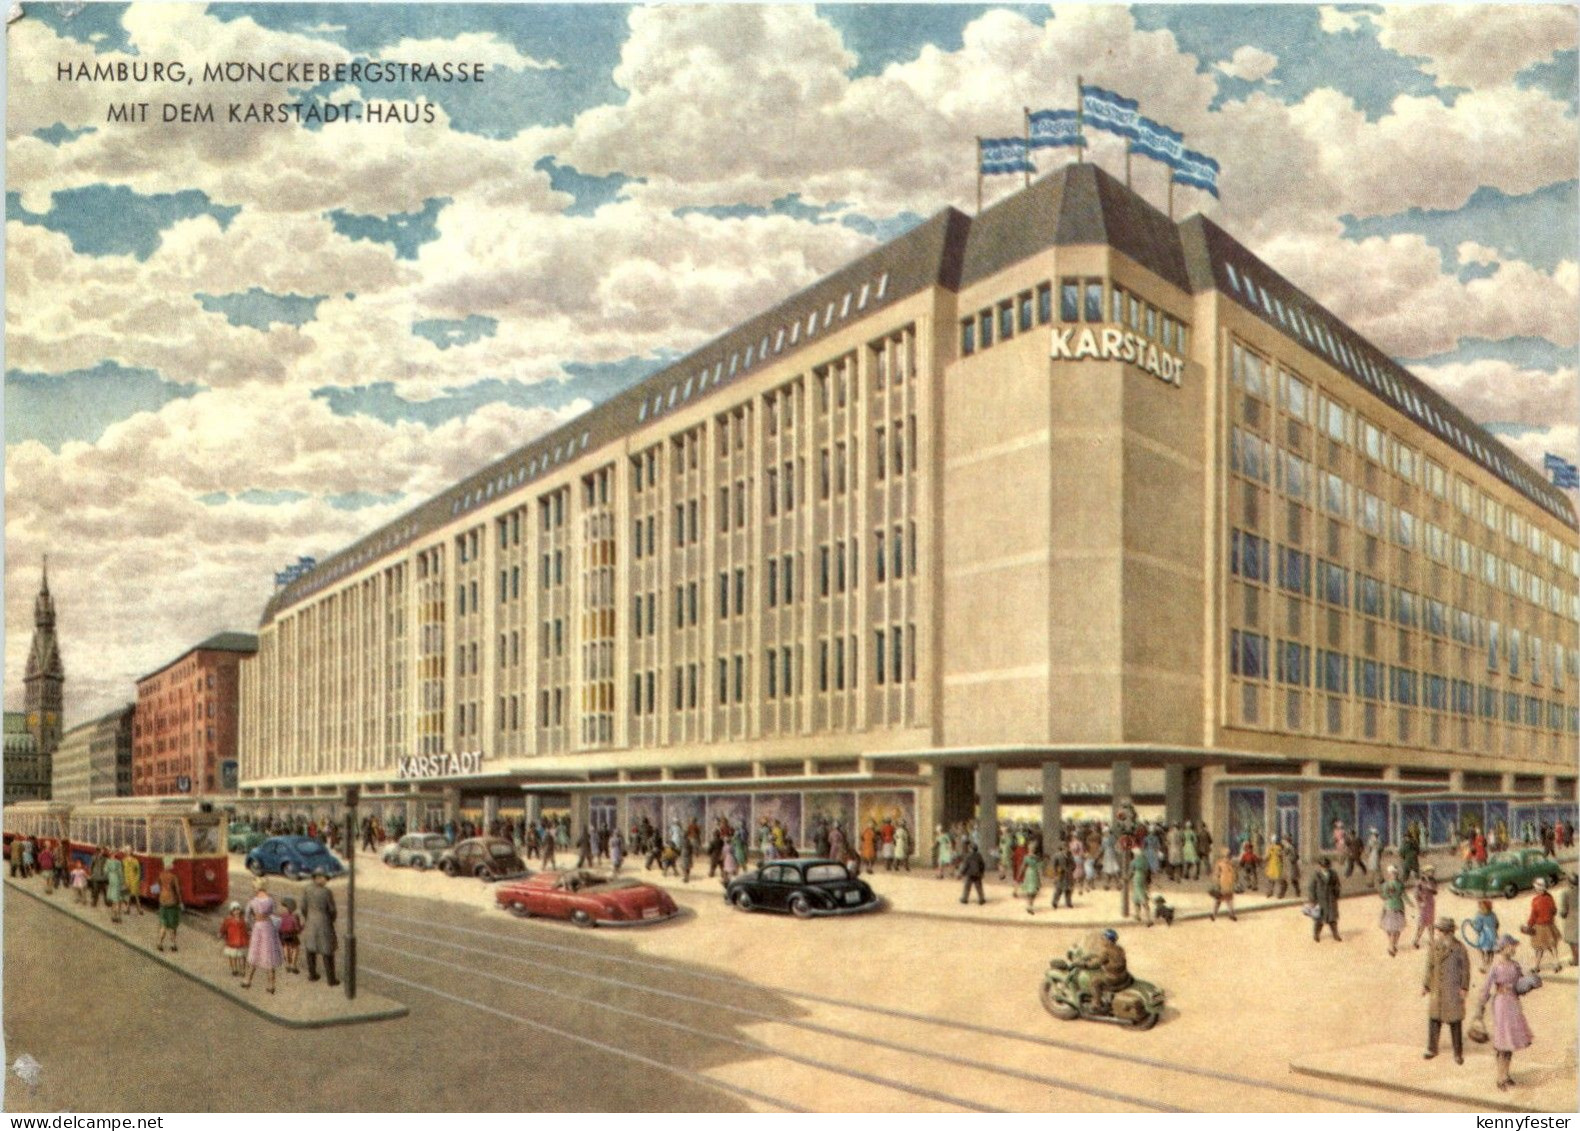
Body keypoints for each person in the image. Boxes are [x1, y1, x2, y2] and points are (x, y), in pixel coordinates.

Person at [1476, 936, 1536, 1092]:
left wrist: (1530, 983)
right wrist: (1480, 1007)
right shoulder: (1496, 967)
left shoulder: (1515, 965)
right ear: (1502, 948)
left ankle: (1506, 1075)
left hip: (1513, 1003)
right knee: (1502, 1043)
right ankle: (1500, 1077)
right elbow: (1486, 987)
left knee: (1510, 1042)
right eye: (1511, 946)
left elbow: (1520, 985)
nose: (1513, 949)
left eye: (1514, 946)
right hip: (1501, 1004)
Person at [1423, 915, 1470, 1064]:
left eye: (1440, 931)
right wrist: (1426, 985)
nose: (1437, 933)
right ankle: (1432, 1048)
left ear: (1448, 932)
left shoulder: (1459, 948)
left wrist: (1464, 987)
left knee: (1455, 1022)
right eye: (1438, 930)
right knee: (1434, 1019)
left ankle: (1458, 1053)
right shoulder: (1434, 946)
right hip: (1437, 989)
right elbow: (1429, 966)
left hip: (1453, 989)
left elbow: (1465, 970)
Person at [243, 880, 284, 993]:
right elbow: (275, 914)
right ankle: (271, 985)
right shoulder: (271, 901)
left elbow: (246, 918)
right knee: (269, 954)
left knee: (254, 953)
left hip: (257, 928)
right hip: (268, 928)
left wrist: (251, 926)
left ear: (256, 888)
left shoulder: (252, 901)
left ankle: (247, 980)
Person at [302, 868, 339, 986]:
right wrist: (331, 919)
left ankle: (312, 975)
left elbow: (303, 907)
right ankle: (331, 979)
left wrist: (308, 918)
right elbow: (332, 910)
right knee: (327, 951)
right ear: (317, 878)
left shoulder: (307, 889)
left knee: (310, 950)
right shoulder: (326, 892)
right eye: (325, 878)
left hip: (311, 922)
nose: (326, 881)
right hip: (324, 923)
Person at [1524, 877, 1560, 973]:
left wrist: (1529, 925)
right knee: (1552, 946)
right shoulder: (1550, 897)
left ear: (1537, 888)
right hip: (1550, 925)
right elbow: (1554, 910)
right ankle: (1556, 963)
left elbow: (1533, 915)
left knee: (1539, 948)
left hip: (1540, 927)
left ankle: (1536, 966)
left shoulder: (1535, 900)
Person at [1379, 864, 1410, 956]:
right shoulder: (1386, 885)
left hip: (1398, 906)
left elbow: (1404, 894)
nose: (1394, 875)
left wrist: (1409, 903)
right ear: (1389, 874)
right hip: (1389, 907)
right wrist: (1389, 895)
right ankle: (1392, 944)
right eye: (1392, 873)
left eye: (1396, 873)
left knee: (1396, 929)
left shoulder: (1400, 884)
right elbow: (1383, 896)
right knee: (1390, 928)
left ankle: (1392, 945)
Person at [1309, 856, 1341, 942]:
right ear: (1320, 866)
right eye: (1323, 866)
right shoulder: (1316, 875)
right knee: (1319, 919)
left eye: (1327, 866)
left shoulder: (1333, 874)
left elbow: (1337, 885)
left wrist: (1336, 894)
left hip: (1331, 899)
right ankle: (1316, 935)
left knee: (1332, 919)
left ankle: (1335, 935)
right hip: (1320, 900)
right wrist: (1312, 900)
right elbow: (1311, 888)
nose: (1325, 868)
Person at [155, 856, 182, 951]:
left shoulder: (160, 875)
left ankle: (160, 943)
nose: (173, 865)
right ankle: (173, 945)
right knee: (173, 926)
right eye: (171, 864)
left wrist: (159, 896)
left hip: (162, 902)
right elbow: (177, 891)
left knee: (163, 925)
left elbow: (156, 888)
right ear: (169, 865)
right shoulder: (173, 877)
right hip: (172, 902)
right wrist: (180, 902)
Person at [1466, 899, 1500, 971]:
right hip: (1493, 936)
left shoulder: (1479, 915)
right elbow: (1497, 924)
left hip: (1484, 937)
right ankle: (1489, 964)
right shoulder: (1492, 914)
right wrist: (1493, 930)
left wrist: (1472, 925)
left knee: (1482, 949)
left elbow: (1478, 928)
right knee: (1490, 951)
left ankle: (1484, 964)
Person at [1411, 864, 1438, 949]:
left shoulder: (1433, 881)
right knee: (1422, 923)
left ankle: (1432, 940)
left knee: (1431, 923)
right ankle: (1416, 940)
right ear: (1425, 872)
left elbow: (1435, 891)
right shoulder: (1420, 882)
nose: (1432, 873)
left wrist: (1431, 888)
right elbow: (1415, 894)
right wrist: (1420, 902)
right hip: (1423, 904)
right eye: (1430, 871)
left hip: (1430, 903)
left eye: (1432, 871)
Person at [219, 903, 249, 977]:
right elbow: (224, 928)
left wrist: (248, 937)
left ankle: (243, 970)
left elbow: (246, 930)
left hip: (242, 941)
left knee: (242, 957)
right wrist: (221, 933)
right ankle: (234, 969)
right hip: (232, 941)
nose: (236, 912)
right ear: (231, 911)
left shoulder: (243, 920)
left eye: (238, 909)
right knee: (233, 956)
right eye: (234, 910)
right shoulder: (228, 920)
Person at [1209, 847, 1237, 922]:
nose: (1228, 857)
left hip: (1224, 884)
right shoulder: (1228, 864)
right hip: (1225, 884)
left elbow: (1216, 875)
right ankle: (1231, 914)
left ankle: (1214, 915)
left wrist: (1216, 883)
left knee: (1221, 900)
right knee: (1227, 900)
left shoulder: (1222, 863)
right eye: (1227, 856)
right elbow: (1234, 874)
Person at [278, 897, 302, 974]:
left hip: (283, 934)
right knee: (295, 948)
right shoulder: (294, 916)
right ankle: (293, 965)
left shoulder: (281, 916)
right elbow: (297, 928)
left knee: (286, 947)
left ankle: (287, 964)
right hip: (292, 934)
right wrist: (302, 927)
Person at [958, 841, 986, 905]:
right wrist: (982, 872)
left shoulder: (968, 856)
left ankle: (964, 899)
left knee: (967, 887)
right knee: (979, 887)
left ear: (970, 849)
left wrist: (961, 873)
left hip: (969, 874)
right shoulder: (979, 856)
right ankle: (981, 899)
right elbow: (982, 865)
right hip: (977, 873)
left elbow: (965, 865)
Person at [1130, 849, 1152, 925]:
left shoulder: (1134, 861)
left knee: (1140, 897)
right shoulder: (1145, 861)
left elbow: (1131, 872)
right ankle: (1138, 915)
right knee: (1139, 896)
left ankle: (1147, 919)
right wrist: (1148, 882)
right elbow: (1149, 872)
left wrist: (1127, 878)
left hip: (1137, 879)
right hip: (1144, 878)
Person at [104, 849, 126, 924]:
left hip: (111, 880)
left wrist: (110, 874)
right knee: (118, 901)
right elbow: (120, 873)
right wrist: (123, 882)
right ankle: (118, 917)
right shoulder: (118, 862)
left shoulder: (107, 861)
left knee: (114, 900)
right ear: (115, 854)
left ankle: (113, 916)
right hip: (117, 881)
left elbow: (105, 871)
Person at [1019, 847, 1043, 915]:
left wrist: (1020, 874)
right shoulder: (1037, 858)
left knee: (1030, 891)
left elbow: (1023, 866)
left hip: (1029, 873)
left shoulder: (1026, 857)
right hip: (1034, 873)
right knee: (1033, 891)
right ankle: (1030, 905)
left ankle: (1029, 905)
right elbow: (1039, 867)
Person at [1561, 873, 1578, 969]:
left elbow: (1564, 910)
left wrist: (1563, 915)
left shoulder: (1566, 893)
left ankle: (1576, 959)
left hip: (1572, 918)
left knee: (1572, 941)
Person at [122, 848, 143, 916]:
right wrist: (123, 879)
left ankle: (139, 909)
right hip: (127, 880)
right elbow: (123, 870)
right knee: (127, 895)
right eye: (127, 851)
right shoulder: (124, 860)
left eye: (130, 851)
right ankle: (128, 909)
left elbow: (138, 871)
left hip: (134, 880)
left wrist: (137, 879)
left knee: (135, 895)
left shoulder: (135, 861)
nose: (129, 852)